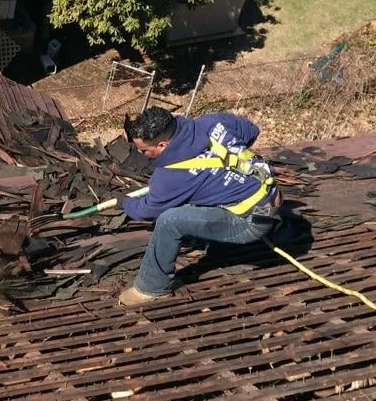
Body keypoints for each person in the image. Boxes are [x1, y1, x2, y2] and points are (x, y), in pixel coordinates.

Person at [118, 107, 281, 306]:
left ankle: (151, 287)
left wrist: (125, 202)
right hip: (271, 194)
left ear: (162, 145)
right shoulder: (213, 122)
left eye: (144, 150)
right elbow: (251, 130)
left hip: (250, 223)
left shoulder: (169, 177)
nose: (140, 153)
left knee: (170, 221)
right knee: (194, 197)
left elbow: (147, 210)